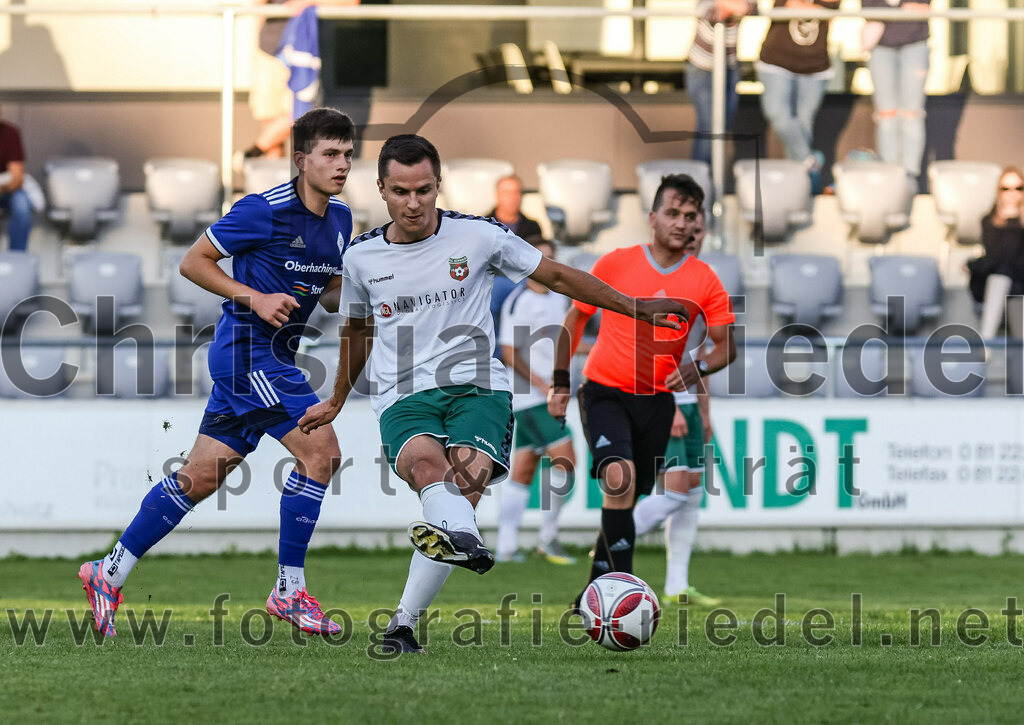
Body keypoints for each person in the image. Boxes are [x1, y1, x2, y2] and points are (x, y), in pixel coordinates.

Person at [297, 135, 690, 655]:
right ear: (382, 191)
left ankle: (404, 623)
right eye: (400, 192)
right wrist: (338, 398)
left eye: (423, 190)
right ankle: (465, 542)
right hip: (402, 392)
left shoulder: (479, 236)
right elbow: (357, 331)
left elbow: (555, 274)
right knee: (425, 469)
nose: (413, 203)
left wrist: (633, 306)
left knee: (459, 494)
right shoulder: (363, 257)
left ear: (439, 185)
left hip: (480, 387)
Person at [79, 108, 356, 637]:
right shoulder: (264, 210)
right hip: (250, 356)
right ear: (301, 160)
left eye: (347, 154)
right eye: (330, 154)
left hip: (270, 359)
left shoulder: (340, 219)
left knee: (199, 478)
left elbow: (329, 288)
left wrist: (376, 293)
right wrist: (253, 295)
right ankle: (289, 592)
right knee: (322, 453)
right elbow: (192, 262)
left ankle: (108, 573)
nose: (341, 164)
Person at [547, 174, 736, 609]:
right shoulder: (615, 263)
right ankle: (619, 593)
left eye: (691, 216)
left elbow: (727, 347)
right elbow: (574, 320)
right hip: (604, 391)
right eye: (672, 213)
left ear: (699, 224)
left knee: (628, 494)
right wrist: (561, 382)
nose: (681, 223)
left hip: (658, 401)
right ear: (652, 218)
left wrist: (697, 368)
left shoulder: (705, 280)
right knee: (621, 478)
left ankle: (595, 586)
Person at [630, 213, 721, 606]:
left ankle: (676, 586)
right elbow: (646, 352)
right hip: (661, 400)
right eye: (687, 228)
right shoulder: (663, 284)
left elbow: (701, 356)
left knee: (693, 493)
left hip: (689, 402)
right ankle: (611, 539)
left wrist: (703, 410)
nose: (692, 235)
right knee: (675, 491)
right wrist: (672, 408)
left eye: (699, 230)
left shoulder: (704, 283)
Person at [496, 238, 577, 565]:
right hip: (532, 398)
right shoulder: (519, 302)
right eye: (541, 258)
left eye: (552, 258)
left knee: (524, 471)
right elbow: (508, 352)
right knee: (567, 465)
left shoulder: (560, 299)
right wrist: (544, 384)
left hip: (545, 396)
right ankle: (547, 538)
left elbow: (562, 341)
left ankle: (505, 547)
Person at [243, 0, 360, 161]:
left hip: (307, 53)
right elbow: (259, 6)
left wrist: (307, 2)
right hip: (269, 51)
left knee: (301, 115)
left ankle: (252, 153)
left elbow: (351, 2)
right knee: (270, 121)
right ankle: (272, 179)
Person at [755, 0, 840, 190]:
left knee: (803, 124)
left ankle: (798, 189)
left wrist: (807, 7)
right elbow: (787, 5)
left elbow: (830, 8)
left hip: (814, 66)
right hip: (776, 61)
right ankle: (808, 160)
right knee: (777, 112)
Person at [862, 0, 931, 192]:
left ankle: (909, 177)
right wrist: (904, 9)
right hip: (881, 48)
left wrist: (886, 13)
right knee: (886, 116)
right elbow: (868, 9)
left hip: (915, 45)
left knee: (912, 115)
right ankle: (889, 174)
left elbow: (923, 9)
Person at [687, 0, 757, 166]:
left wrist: (729, 7)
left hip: (729, 65)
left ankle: (710, 175)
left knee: (724, 122)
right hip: (702, 67)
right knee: (708, 125)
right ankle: (701, 179)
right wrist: (733, 7)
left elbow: (751, 7)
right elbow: (711, 12)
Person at [487, 175, 544, 358]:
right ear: (497, 195)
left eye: (517, 193)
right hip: (493, 281)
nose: (513, 197)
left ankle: (523, 358)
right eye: (507, 193)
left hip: (522, 280)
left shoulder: (532, 226)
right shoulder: (482, 222)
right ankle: (496, 358)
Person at [968, 166, 1024, 339]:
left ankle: (988, 341)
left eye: (1019, 188)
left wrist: (1014, 221)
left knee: (1009, 280)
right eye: (1006, 188)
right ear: (998, 191)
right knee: (1001, 276)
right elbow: (997, 256)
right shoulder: (989, 221)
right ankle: (987, 342)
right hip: (998, 281)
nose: (1012, 193)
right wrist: (1010, 222)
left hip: (1020, 279)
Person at [0, 106, 32, 252]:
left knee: (22, 205)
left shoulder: (10, 133)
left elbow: (17, 178)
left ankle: (17, 258)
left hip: (6, 189)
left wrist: (2, 188)